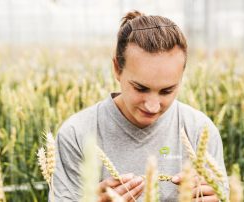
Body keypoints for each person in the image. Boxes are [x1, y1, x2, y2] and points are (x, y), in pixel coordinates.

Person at [51, 10, 229, 202]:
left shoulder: (199, 130)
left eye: (166, 91)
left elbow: (222, 195)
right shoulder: (77, 134)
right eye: (141, 88)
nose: (152, 107)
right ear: (117, 69)